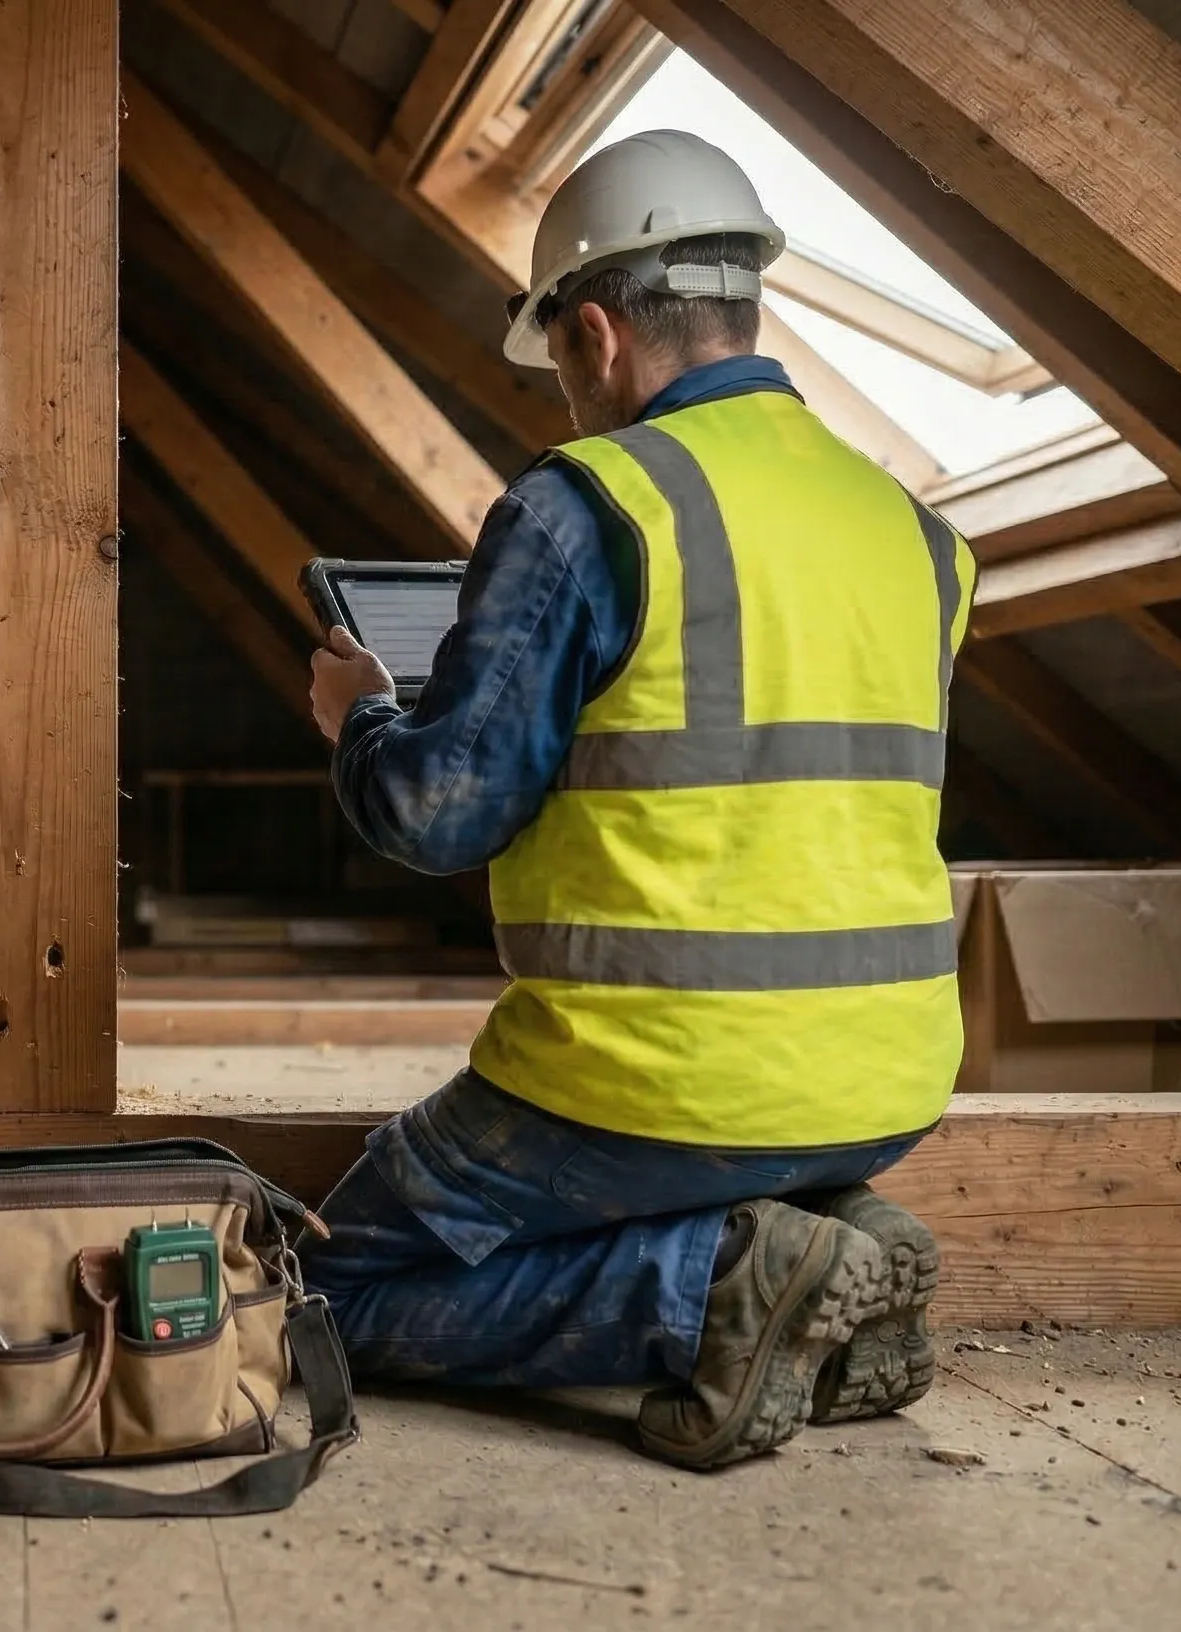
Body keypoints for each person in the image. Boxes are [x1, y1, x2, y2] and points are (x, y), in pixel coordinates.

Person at [298, 130, 972, 1469]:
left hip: (650, 1081)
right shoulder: (916, 529)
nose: (567, 395)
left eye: (559, 364)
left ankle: (713, 1291)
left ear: (596, 336)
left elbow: (438, 815)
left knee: (318, 1290)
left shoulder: (590, 502)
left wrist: (364, 717)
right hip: (888, 1080)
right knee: (685, 1165)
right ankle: (837, 1248)